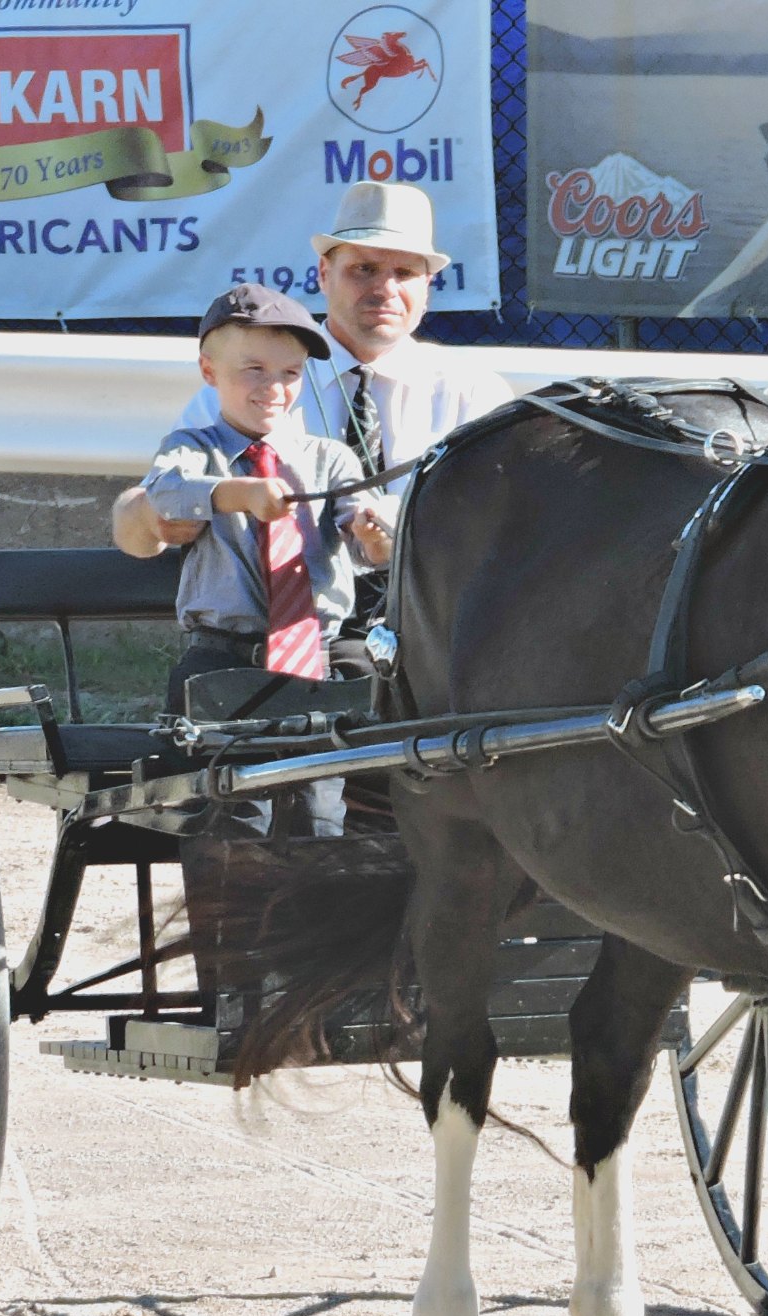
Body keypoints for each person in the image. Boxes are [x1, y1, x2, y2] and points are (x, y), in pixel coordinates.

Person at [113, 179, 513, 586]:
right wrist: (151, 518)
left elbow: (505, 525)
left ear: (426, 289)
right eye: (364, 269)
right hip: (290, 628)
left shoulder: (473, 395)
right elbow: (139, 521)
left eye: (405, 273)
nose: (385, 289)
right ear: (324, 274)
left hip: (430, 622)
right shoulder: (253, 386)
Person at [137, 279, 374, 835]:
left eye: (290, 374)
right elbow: (165, 491)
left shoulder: (330, 460)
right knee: (238, 813)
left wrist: (375, 535)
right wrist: (236, 494)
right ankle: (233, 910)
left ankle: (315, 909)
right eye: (254, 370)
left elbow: (363, 534)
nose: (274, 387)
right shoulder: (194, 447)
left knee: (319, 814)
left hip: (316, 659)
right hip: (224, 660)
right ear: (209, 371)